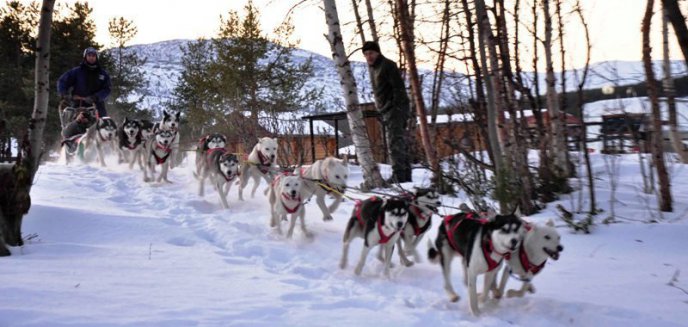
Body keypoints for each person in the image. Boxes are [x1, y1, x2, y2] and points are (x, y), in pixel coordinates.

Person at [362, 41, 412, 183]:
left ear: (377, 52)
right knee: (399, 141)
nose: (368, 56)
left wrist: (393, 107)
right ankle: (405, 176)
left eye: (371, 53)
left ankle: (399, 176)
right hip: (389, 109)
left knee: (395, 142)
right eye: (366, 54)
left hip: (396, 109)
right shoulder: (375, 68)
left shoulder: (387, 65)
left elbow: (398, 88)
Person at [57, 47, 111, 151]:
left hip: (97, 105)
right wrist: (63, 94)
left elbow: (107, 89)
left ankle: (105, 150)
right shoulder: (77, 72)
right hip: (78, 104)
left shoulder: (102, 74)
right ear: (85, 57)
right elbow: (62, 81)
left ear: (96, 57)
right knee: (72, 124)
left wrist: (96, 97)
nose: (91, 58)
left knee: (104, 126)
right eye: (89, 55)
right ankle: (71, 145)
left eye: (93, 55)